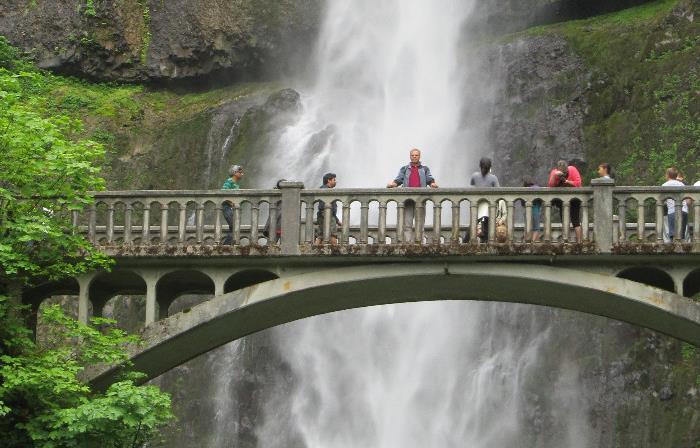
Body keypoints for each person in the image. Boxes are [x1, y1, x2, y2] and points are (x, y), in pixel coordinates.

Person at [387, 148, 438, 243]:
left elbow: (429, 179)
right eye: (412, 155)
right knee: (407, 224)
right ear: (410, 156)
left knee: (420, 224)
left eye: (416, 155)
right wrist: (393, 184)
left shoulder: (425, 169)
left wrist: (432, 184)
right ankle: (408, 243)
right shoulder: (405, 168)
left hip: (420, 200)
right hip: (408, 200)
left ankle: (420, 243)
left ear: (419, 156)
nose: (414, 157)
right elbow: (399, 179)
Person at [548, 160, 583, 242]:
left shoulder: (573, 170)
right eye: (562, 172)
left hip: (574, 199)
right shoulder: (554, 172)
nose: (563, 174)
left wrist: (568, 182)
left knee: (576, 221)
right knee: (564, 221)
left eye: (565, 172)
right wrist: (554, 176)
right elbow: (550, 186)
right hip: (561, 201)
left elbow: (578, 183)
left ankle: (580, 242)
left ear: (567, 169)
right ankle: (566, 241)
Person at [469, 157, 500, 243]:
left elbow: (471, 188)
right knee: (483, 226)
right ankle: (484, 242)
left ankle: (469, 242)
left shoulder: (475, 176)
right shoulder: (493, 178)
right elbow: (499, 192)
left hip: (481, 205)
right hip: (483, 205)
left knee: (476, 224)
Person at [662, 167, 688, 241]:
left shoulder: (664, 185)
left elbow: (662, 200)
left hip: (673, 211)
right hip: (684, 211)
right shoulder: (682, 184)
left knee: (673, 236)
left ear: (667, 175)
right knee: (681, 236)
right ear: (676, 175)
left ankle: (673, 251)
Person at [315, 173, 341, 245]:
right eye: (334, 180)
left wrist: (336, 220)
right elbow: (324, 206)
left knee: (320, 235)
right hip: (327, 215)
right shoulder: (325, 190)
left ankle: (315, 249)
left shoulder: (323, 189)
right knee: (333, 234)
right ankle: (336, 251)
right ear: (329, 180)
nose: (335, 181)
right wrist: (330, 217)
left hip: (323, 215)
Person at [221, 164, 243, 245]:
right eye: (240, 172)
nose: (241, 174)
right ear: (235, 172)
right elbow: (223, 192)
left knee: (232, 227)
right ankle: (225, 246)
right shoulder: (229, 181)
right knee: (234, 226)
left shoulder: (236, 184)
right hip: (227, 208)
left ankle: (228, 245)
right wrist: (231, 203)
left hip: (232, 209)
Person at [263, 179, 285, 243]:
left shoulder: (276, 198)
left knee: (271, 245)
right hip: (277, 226)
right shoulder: (276, 198)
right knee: (271, 245)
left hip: (278, 226)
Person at [523, 177, 543, 242]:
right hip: (536, 210)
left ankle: (526, 241)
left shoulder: (524, 190)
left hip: (527, 211)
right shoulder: (537, 188)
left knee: (527, 227)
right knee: (536, 228)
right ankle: (532, 242)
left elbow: (522, 204)